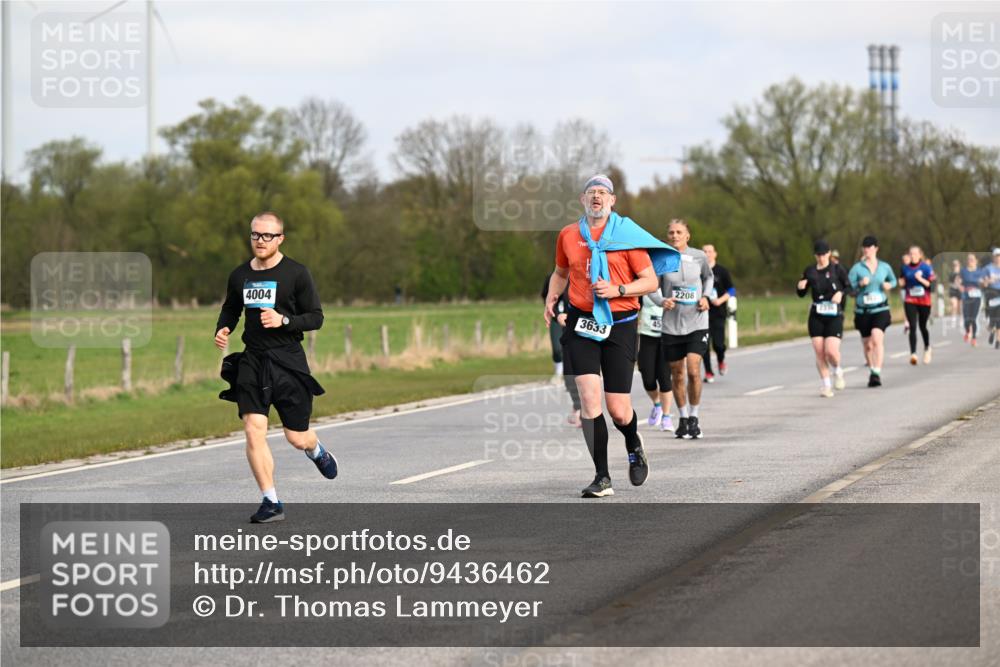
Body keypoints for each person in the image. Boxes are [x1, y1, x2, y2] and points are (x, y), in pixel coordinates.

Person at [543, 175, 679, 498]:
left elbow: (650, 282)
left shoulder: (626, 237)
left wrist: (618, 289)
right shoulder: (568, 235)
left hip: (620, 323)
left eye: (603, 192)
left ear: (612, 200)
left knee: (618, 409)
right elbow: (561, 273)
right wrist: (551, 296)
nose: (597, 197)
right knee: (589, 399)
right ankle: (602, 477)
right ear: (582, 199)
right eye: (591, 192)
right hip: (582, 322)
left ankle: (633, 441)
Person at [215, 212, 336, 524]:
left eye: (267, 235)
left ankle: (315, 449)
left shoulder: (297, 273)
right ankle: (271, 501)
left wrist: (284, 320)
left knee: (296, 437)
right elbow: (231, 308)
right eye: (255, 234)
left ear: (280, 238)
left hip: (288, 360)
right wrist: (223, 327)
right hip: (253, 361)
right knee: (253, 429)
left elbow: (316, 317)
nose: (260, 240)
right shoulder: (240, 275)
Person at [649, 219, 713, 439]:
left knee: (693, 370)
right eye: (671, 233)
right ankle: (683, 419)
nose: (675, 236)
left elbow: (709, 278)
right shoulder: (662, 258)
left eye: (679, 232)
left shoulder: (699, 256)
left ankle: (694, 417)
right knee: (677, 374)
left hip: (697, 321)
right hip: (672, 325)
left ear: (687, 235)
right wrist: (661, 301)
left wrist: (706, 297)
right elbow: (651, 286)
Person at [797, 240, 849, 397]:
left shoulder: (837, 269)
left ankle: (837, 370)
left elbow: (849, 287)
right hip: (816, 315)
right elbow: (801, 293)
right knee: (819, 352)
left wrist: (840, 293)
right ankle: (826, 386)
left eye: (824, 254)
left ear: (829, 253)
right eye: (818, 255)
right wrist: (800, 286)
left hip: (834, 315)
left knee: (831, 351)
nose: (821, 258)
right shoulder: (810, 271)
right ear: (815, 255)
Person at [848, 236, 897, 387]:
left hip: (880, 308)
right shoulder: (857, 268)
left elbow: (894, 280)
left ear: (876, 249)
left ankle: (876, 372)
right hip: (862, 311)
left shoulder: (884, 267)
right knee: (867, 345)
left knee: (877, 338)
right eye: (864, 247)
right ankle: (872, 370)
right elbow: (849, 289)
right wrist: (860, 284)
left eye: (869, 247)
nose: (866, 250)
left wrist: (889, 285)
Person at [541, 278, 582, 426]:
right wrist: (557, 313)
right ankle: (578, 406)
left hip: (585, 325)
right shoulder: (556, 277)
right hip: (564, 324)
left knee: (585, 372)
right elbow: (548, 297)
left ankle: (584, 408)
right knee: (569, 374)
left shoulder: (588, 274)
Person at [637, 293, 674, 432]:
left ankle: (666, 417)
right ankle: (657, 404)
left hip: (668, 334)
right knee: (647, 377)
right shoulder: (644, 284)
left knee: (665, 377)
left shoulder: (670, 283)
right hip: (647, 335)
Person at [701, 244, 734, 383]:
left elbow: (732, 290)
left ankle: (721, 360)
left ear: (715, 254)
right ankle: (708, 372)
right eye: (704, 251)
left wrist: (720, 300)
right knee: (704, 345)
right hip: (702, 313)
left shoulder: (722, 271)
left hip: (718, 313)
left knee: (718, 344)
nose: (707, 254)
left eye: (710, 251)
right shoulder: (698, 270)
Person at [899, 246, 936, 365]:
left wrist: (920, 279)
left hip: (924, 301)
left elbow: (931, 284)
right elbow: (902, 281)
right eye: (911, 254)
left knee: (922, 326)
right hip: (910, 300)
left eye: (915, 254)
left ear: (920, 255)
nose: (913, 256)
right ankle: (913, 354)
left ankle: (927, 348)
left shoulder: (926, 267)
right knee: (912, 326)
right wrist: (900, 283)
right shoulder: (905, 268)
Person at [960, 253, 986, 346]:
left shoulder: (980, 271)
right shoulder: (963, 271)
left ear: (976, 261)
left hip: (977, 296)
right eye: (969, 259)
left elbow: (984, 283)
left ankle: (974, 338)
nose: (970, 261)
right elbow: (958, 281)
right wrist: (960, 286)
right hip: (966, 296)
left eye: (972, 259)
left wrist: (983, 283)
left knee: (973, 318)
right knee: (966, 318)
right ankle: (967, 331)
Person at [984, 248, 1000, 349]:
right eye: (996, 256)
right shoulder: (988, 268)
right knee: (992, 318)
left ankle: (998, 340)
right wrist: (990, 280)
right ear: (993, 257)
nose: (998, 258)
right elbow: (984, 283)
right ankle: (992, 330)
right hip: (991, 293)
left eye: (999, 256)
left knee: (999, 317)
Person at [948, 259, 963, 325]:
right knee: (954, 305)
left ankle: (961, 319)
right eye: (954, 265)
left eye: (956, 265)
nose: (955, 266)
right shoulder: (951, 274)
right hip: (953, 290)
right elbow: (950, 283)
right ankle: (953, 319)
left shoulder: (962, 273)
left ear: (959, 265)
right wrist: (955, 284)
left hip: (960, 290)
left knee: (960, 307)